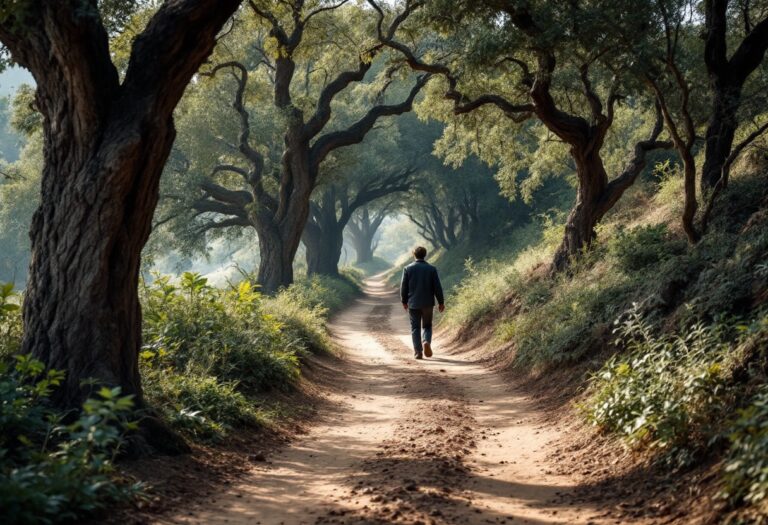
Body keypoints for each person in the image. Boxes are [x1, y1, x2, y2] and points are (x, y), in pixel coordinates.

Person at [399, 246, 445, 359]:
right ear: (425, 255)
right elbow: (437, 287)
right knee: (427, 326)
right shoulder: (432, 269)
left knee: (415, 328)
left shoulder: (407, 269)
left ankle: (418, 352)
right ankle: (426, 341)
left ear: (414, 255)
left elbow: (403, 287)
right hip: (428, 303)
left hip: (413, 303)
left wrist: (404, 301)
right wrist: (441, 302)